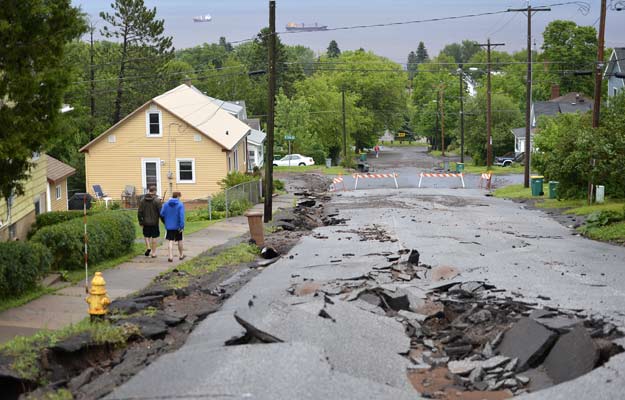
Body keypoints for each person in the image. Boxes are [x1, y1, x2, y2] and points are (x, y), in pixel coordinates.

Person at [160, 191, 185, 262]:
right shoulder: (180, 204)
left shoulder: (165, 204)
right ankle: (181, 255)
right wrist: (182, 226)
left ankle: (170, 256)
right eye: (180, 197)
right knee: (179, 240)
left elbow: (161, 214)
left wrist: (165, 222)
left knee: (170, 240)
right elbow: (181, 216)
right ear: (178, 196)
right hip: (178, 226)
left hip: (169, 226)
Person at [137, 186, 161, 258]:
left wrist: (140, 222)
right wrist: (164, 220)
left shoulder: (142, 200)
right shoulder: (157, 200)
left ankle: (148, 247)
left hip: (145, 222)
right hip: (154, 222)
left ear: (149, 190)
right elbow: (161, 212)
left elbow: (139, 212)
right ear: (154, 191)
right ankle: (153, 253)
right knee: (154, 237)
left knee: (146, 235)